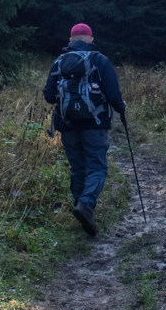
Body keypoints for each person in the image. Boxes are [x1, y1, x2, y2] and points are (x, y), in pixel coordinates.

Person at [43, 23, 125, 236]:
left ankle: (81, 206)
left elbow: (49, 95)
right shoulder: (100, 60)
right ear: (90, 38)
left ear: (71, 39)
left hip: (67, 124)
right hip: (95, 124)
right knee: (97, 167)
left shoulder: (59, 62)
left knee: (78, 168)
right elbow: (113, 93)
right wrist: (121, 108)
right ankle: (86, 206)